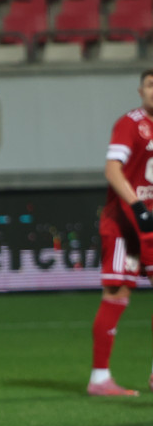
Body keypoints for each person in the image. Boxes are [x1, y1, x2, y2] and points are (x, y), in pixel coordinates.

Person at [88, 68, 153, 396]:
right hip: (125, 224)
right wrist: (138, 207)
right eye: (150, 84)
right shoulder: (131, 123)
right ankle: (100, 379)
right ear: (140, 91)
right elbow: (112, 169)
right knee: (117, 295)